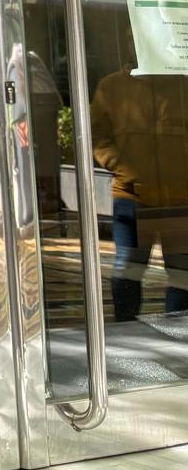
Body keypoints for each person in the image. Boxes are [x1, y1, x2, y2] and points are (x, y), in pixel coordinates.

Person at [90, 69, 188, 321]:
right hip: (132, 197)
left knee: (182, 273)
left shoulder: (182, 84)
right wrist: (122, 167)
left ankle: (177, 331)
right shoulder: (112, 86)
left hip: (179, 198)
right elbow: (97, 136)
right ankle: (125, 328)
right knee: (127, 269)